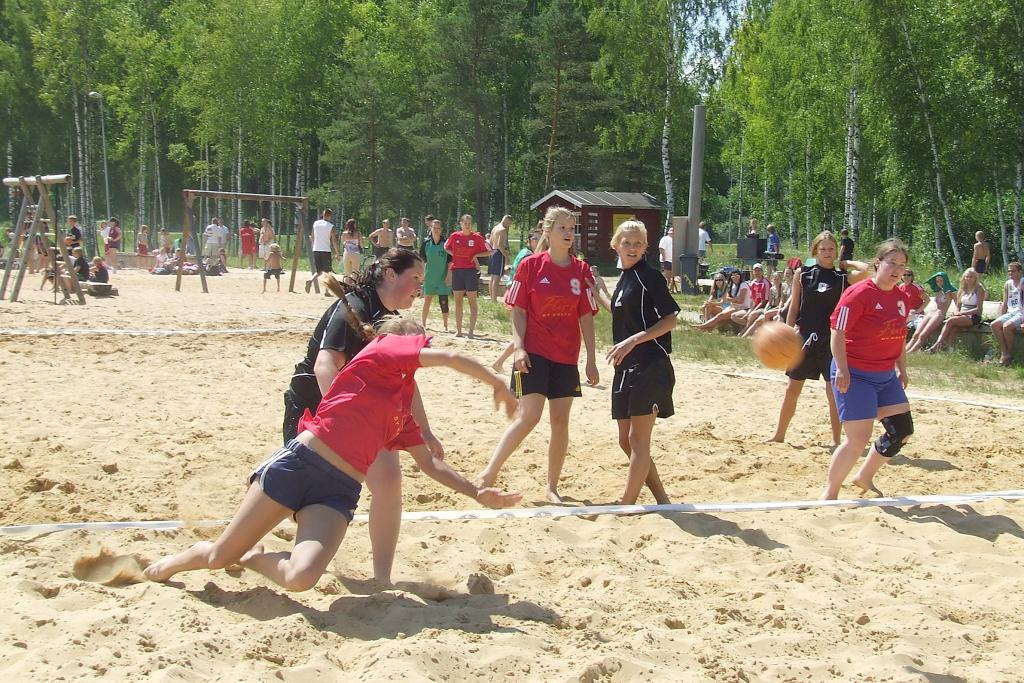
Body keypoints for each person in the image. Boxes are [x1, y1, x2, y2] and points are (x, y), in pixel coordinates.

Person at [143, 319, 522, 590]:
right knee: (216, 558)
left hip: (337, 493)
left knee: (301, 578)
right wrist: (496, 382)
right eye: (419, 343)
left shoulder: (400, 406)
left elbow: (430, 464)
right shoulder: (381, 350)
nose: (422, 352)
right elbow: (452, 356)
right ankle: (176, 562)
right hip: (298, 466)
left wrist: (477, 492)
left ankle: (252, 557)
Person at [282, 249, 433, 583]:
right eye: (415, 278)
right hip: (315, 408)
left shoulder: (391, 320)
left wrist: (425, 430)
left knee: (389, 482)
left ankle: (382, 579)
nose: (419, 287)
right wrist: (343, 422)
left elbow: (405, 379)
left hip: (361, 416)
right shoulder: (353, 307)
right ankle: (247, 547)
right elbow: (324, 366)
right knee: (297, 497)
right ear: (391, 275)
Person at [477, 206, 599, 503]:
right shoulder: (531, 265)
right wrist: (519, 347)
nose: (568, 233)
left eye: (572, 228)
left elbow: (586, 317)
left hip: (566, 356)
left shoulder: (581, 270)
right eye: (562, 228)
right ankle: (488, 475)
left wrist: (592, 360)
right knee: (529, 417)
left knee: (560, 421)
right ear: (548, 231)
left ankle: (552, 487)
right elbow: (518, 311)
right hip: (533, 352)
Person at [822, 239, 922, 499]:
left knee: (902, 431)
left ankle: (864, 476)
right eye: (892, 263)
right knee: (857, 439)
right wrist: (842, 369)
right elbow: (837, 331)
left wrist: (902, 369)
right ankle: (830, 493)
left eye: (902, 265)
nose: (897, 269)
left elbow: (899, 336)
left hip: (885, 374)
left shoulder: (901, 297)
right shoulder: (858, 294)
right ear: (878, 263)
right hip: (855, 372)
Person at [593, 220, 676, 505]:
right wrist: (599, 292)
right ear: (615, 245)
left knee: (638, 440)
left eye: (637, 243)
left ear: (645, 247)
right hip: (626, 365)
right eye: (626, 242)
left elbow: (670, 320)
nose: (632, 247)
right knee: (625, 441)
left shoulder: (650, 277)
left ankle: (626, 503)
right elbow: (622, 315)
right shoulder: (626, 278)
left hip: (651, 364)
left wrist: (633, 341)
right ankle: (662, 499)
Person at [767, 231, 870, 446]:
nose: (827, 253)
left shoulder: (842, 277)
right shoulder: (803, 274)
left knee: (833, 392)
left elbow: (866, 270)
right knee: (792, 389)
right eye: (823, 249)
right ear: (815, 251)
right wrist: (787, 332)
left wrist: (845, 262)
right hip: (804, 337)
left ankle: (836, 440)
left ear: (836, 251)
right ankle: (779, 435)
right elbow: (794, 306)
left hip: (831, 340)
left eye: (831, 249)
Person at [491, 230, 541, 372]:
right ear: (529, 241)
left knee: (522, 334)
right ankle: (499, 362)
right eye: (535, 238)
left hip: (515, 293)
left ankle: (499, 362)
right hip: (517, 295)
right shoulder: (528, 255)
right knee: (521, 334)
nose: (538, 241)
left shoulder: (526, 252)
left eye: (540, 238)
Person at [444, 214, 491, 338]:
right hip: (457, 271)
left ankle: (471, 332)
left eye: (469, 223)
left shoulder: (477, 237)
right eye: (465, 223)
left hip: (470, 272)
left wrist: (476, 255)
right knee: (458, 302)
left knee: (472, 302)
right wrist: (454, 254)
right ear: (461, 224)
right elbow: (446, 247)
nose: (467, 225)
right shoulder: (455, 236)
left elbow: (490, 250)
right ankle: (459, 331)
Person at [927, 268, 986, 353]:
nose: (968, 279)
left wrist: (962, 313)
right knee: (954, 328)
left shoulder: (979, 289)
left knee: (950, 321)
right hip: (962, 315)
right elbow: (958, 306)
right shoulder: (962, 289)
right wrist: (957, 312)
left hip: (973, 316)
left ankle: (937, 345)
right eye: (967, 277)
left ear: (975, 278)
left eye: (971, 277)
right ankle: (950, 350)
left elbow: (978, 309)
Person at [906, 272, 955, 353]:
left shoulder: (951, 291)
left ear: (945, 280)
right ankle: (906, 351)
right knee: (916, 334)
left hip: (939, 314)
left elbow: (958, 302)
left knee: (923, 335)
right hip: (931, 313)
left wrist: (956, 313)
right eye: (937, 281)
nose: (939, 283)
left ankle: (911, 352)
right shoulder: (938, 291)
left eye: (941, 281)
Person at [420, 219, 452, 332]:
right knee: (427, 300)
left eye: (438, 228)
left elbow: (450, 262)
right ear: (431, 228)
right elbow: (422, 261)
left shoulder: (446, 243)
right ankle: (423, 323)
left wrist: (449, 276)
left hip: (443, 277)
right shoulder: (426, 243)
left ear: (441, 229)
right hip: (429, 277)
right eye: (434, 228)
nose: (436, 230)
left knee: (444, 301)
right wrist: (421, 275)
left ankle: (445, 325)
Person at [991, 262, 1022, 365]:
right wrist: (1001, 317)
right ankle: (1004, 352)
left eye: (1013, 271)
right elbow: (1005, 303)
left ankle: (1009, 355)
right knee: (994, 325)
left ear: (1020, 272)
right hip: (1011, 312)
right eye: (1009, 271)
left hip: (1021, 312)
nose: (1010, 273)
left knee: (1007, 326)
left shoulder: (1022, 283)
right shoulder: (1008, 284)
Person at [732, 263, 770, 333]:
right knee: (734, 316)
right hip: (753, 307)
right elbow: (752, 299)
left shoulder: (765, 283)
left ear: (762, 272)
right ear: (753, 272)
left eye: (759, 270)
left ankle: (744, 332)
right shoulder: (752, 283)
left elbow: (764, 302)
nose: (757, 272)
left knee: (751, 315)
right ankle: (753, 330)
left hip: (763, 308)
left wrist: (752, 311)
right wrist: (750, 310)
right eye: (755, 270)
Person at [307, 209, 336, 292]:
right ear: (330, 216)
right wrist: (337, 253)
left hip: (316, 249)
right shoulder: (331, 226)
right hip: (326, 250)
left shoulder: (315, 223)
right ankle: (327, 291)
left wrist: (313, 246)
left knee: (319, 271)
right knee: (327, 272)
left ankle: (310, 280)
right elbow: (334, 241)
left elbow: (312, 237)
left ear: (323, 215)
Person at [487, 215, 512, 302]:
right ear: (506, 221)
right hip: (499, 253)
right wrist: (506, 256)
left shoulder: (495, 228)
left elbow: (490, 242)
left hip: (492, 252)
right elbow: (500, 244)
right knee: (497, 277)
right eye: (509, 223)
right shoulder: (502, 229)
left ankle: (492, 298)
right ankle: (494, 300)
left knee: (492, 277)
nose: (509, 226)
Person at [658, 227, 678, 293]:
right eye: (671, 232)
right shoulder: (665, 239)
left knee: (671, 276)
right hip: (665, 260)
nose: (672, 234)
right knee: (666, 276)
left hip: (672, 260)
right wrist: (664, 257)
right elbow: (661, 248)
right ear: (669, 232)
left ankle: (668, 289)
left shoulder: (675, 240)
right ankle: (664, 289)